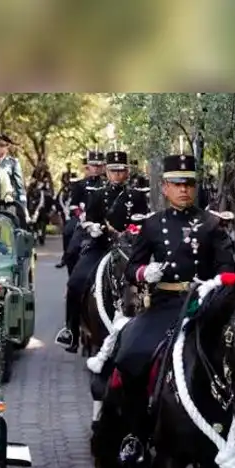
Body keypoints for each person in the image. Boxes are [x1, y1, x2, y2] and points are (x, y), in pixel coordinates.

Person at [111, 153, 235, 400]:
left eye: (188, 184)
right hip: (164, 304)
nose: (184, 190)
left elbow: (228, 268)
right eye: (177, 185)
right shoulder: (153, 225)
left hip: (203, 305)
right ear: (165, 188)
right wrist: (145, 272)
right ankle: (135, 429)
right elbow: (131, 267)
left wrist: (213, 285)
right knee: (130, 354)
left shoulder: (212, 224)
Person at [58, 150, 148, 352]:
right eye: (113, 171)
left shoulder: (136, 197)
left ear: (127, 173)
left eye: (121, 171)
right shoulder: (98, 195)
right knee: (75, 283)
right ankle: (71, 331)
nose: (117, 174)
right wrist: (94, 228)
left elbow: (144, 223)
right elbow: (89, 219)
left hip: (129, 250)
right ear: (107, 172)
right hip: (102, 247)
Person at [59, 151, 107, 273]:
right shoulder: (80, 184)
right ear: (88, 167)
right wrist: (81, 215)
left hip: (102, 217)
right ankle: (67, 256)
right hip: (83, 217)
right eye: (93, 166)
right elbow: (74, 205)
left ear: (103, 167)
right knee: (67, 231)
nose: (96, 169)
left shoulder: (107, 184)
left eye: (98, 166)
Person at [0, 133, 26, 205]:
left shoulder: (13, 163)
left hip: (8, 201)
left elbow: (19, 187)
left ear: (7, 147)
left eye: (1, 145)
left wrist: (23, 206)